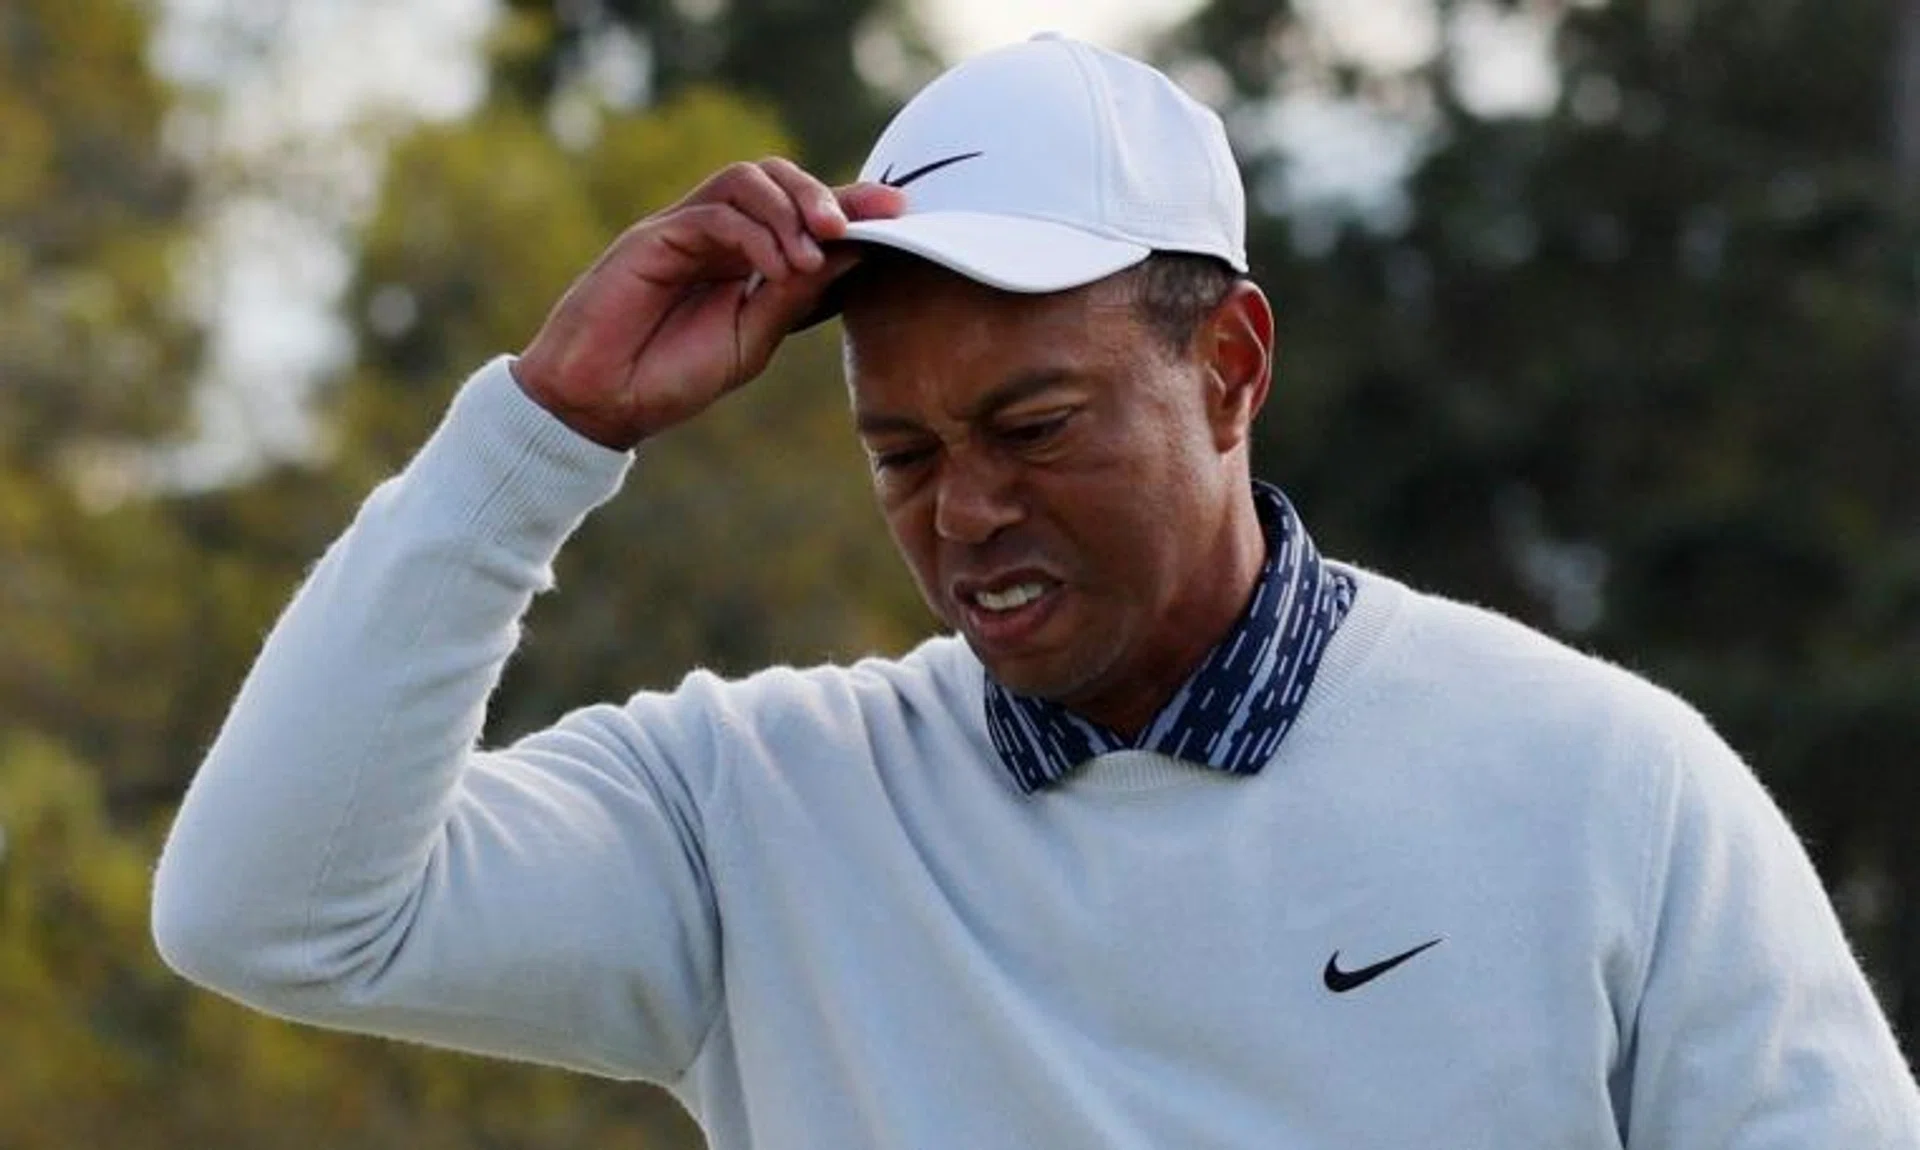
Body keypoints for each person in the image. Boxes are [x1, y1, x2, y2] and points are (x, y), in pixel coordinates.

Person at [152, 34, 1919, 1148]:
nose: (968, 511)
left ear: (1230, 365)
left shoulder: (1607, 779)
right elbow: (266, 914)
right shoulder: (745, 813)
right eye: (902, 453)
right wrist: (543, 433)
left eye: (1034, 423)